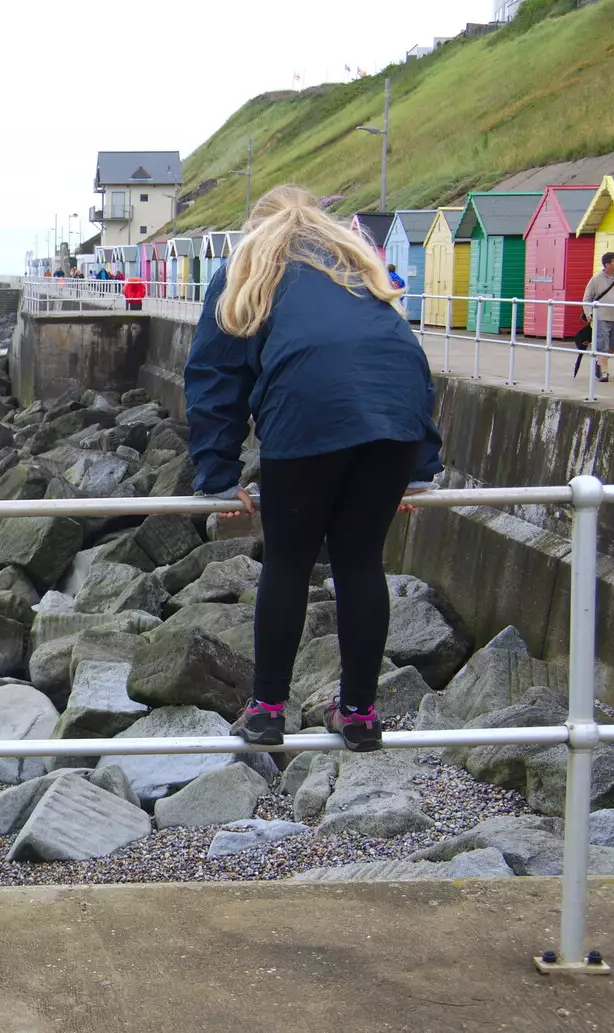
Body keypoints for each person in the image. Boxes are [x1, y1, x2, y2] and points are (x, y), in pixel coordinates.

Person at [184, 185, 442, 754]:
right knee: (359, 561)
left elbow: (215, 377)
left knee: (289, 562)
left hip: (305, 414)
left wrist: (218, 475)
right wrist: (420, 467)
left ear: (258, 228)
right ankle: (358, 715)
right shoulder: (357, 266)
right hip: (393, 423)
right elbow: (407, 361)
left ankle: (267, 711)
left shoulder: (246, 267)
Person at [579, 252, 614, 383]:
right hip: (601, 318)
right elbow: (587, 299)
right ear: (607, 264)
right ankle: (604, 372)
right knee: (602, 345)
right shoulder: (596, 279)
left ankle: (599, 362)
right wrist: (589, 313)